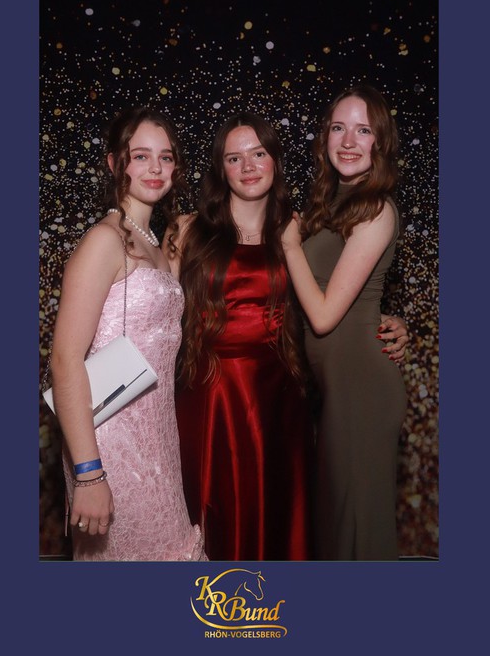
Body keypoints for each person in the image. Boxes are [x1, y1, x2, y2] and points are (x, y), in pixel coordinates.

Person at [163, 111, 408, 561]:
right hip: (209, 399)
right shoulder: (186, 230)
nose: (248, 166)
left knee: (280, 522)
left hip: (278, 402)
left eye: (258, 153)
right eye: (234, 158)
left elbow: (331, 292)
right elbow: (154, 314)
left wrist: (388, 319)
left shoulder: (299, 230)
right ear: (220, 169)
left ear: (275, 160)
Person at [48, 106, 206, 561]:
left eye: (166, 157)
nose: (155, 168)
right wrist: (89, 473)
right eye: (141, 156)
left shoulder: (155, 244)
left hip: (157, 437)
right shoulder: (104, 240)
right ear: (115, 163)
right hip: (110, 443)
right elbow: (64, 359)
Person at [282, 85, 408, 561]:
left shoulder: (376, 208)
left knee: (357, 534)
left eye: (363, 130)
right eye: (339, 128)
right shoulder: (330, 204)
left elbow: (322, 315)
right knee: (338, 532)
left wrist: (289, 245)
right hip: (336, 389)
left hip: (363, 390)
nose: (349, 141)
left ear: (381, 142)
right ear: (325, 137)